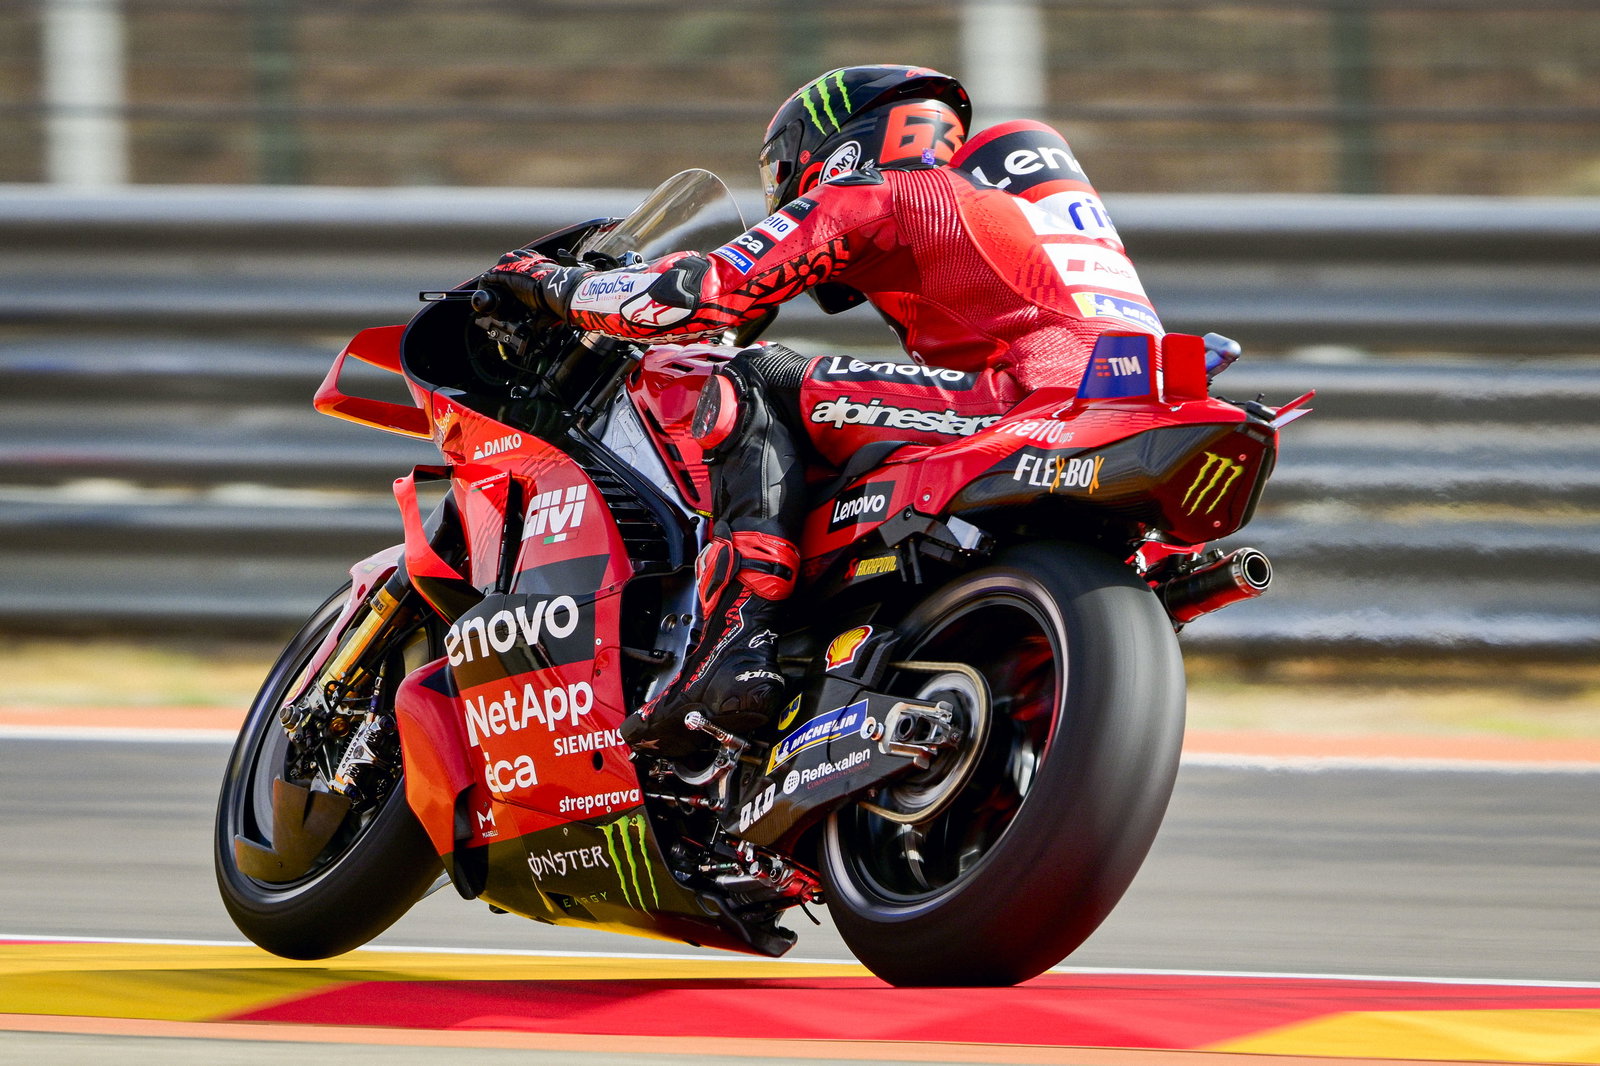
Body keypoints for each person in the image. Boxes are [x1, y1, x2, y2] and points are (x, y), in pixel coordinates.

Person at [481, 64, 1164, 756]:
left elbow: (693, 294)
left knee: (755, 376)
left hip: (1031, 400)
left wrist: (545, 284)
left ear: (837, 146)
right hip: (1116, 404)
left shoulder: (881, 190)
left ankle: (737, 645)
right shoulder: (1010, 216)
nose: (782, 190)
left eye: (784, 170)